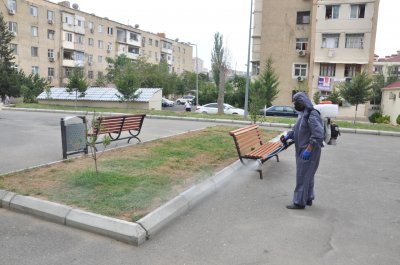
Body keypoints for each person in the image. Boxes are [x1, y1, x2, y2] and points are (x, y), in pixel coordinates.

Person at [280, 92, 324, 210]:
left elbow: (318, 135)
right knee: (307, 176)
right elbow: (297, 129)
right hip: (301, 149)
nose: (295, 105)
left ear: (303, 102)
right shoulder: (303, 114)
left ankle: (299, 202)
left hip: (309, 151)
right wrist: (288, 136)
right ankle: (308, 197)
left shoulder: (312, 114)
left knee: (302, 176)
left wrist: (309, 149)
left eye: (297, 102)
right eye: (294, 103)